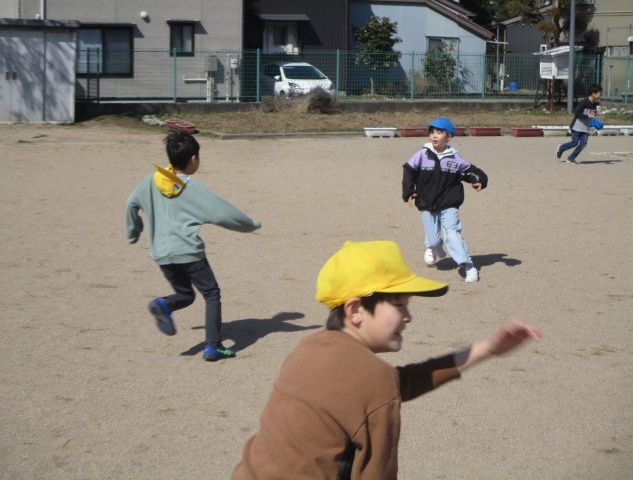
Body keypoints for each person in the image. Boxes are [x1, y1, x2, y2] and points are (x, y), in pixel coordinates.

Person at [231, 240, 542, 479]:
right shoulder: (373, 377)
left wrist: (487, 348)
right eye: (399, 305)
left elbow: (399, 383)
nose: (408, 317)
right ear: (356, 310)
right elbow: (376, 472)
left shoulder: (310, 347)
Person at [125, 132, 261, 361]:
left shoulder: (150, 181)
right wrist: (251, 225)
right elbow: (225, 213)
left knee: (185, 294)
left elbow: (131, 203)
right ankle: (213, 346)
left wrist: (133, 232)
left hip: (161, 254)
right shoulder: (193, 189)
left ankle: (163, 303)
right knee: (211, 294)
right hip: (189, 252)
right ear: (194, 159)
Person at [402, 117, 488, 283]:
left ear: (448, 136)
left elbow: (471, 171)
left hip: (449, 203)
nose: (434, 136)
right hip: (426, 203)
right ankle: (433, 247)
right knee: (434, 240)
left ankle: (468, 266)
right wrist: (409, 191)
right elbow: (408, 170)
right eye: (432, 132)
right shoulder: (422, 154)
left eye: (439, 132)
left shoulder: (454, 157)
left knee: (453, 233)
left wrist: (479, 180)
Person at [556, 84, 603, 165]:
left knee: (583, 144)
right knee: (574, 142)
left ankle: (571, 158)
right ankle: (561, 147)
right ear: (593, 93)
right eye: (599, 92)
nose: (600, 94)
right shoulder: (584, 102)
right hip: (576, 127)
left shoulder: (594, 104)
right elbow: (577, 113)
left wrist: (594, 118)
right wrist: (587, 116)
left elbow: (592, 114)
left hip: (585, 128)